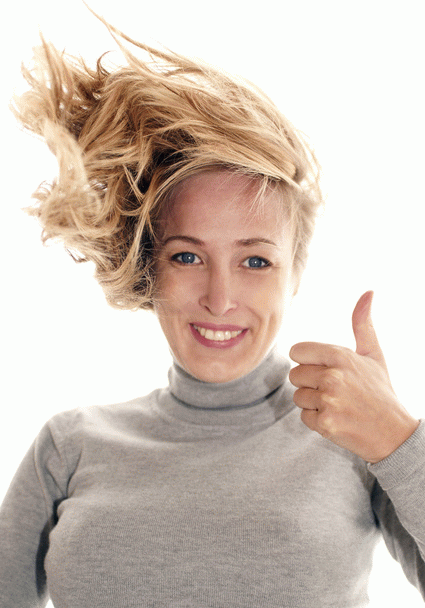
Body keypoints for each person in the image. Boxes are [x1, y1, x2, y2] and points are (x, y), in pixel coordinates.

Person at [1, 13, 424, 608]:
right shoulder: (70, 445)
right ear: (149, 267)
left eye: (255, 261)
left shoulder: (352, 439)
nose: (220, 299)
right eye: (187, 256)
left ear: (295, 273)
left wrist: (400, 442)